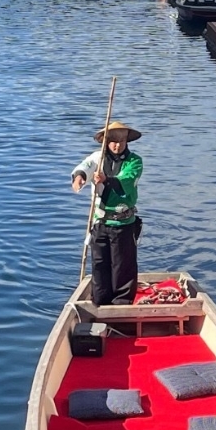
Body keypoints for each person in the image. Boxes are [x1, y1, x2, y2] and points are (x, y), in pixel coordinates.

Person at [71, 120, 144, 306]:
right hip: (100, 223)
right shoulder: (98, 158)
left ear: (127, 140)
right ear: (105, 141)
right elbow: (85, 167)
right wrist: (79, 177)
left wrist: (106, 179)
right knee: (99, 264)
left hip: (123, 224)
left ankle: (121, 304)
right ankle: (100, 302)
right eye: (112, 140)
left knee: (122, 266)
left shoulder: (134, 161)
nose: (117, 144)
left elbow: (126, 180)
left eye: (121, 140)